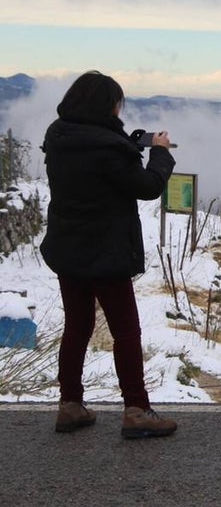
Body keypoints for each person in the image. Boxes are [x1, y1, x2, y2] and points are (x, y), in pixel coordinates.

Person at [40, 70, 179, 439]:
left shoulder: (59, 137)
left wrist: (129, 146)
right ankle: (136, 409)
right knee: (126, 331)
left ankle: (69, 405)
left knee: (77, 326)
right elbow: (147, 187)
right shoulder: (108, 147)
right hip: (106, 251)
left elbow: (98, 173)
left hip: (68, 248)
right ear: (109, 105)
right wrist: (160, 155)